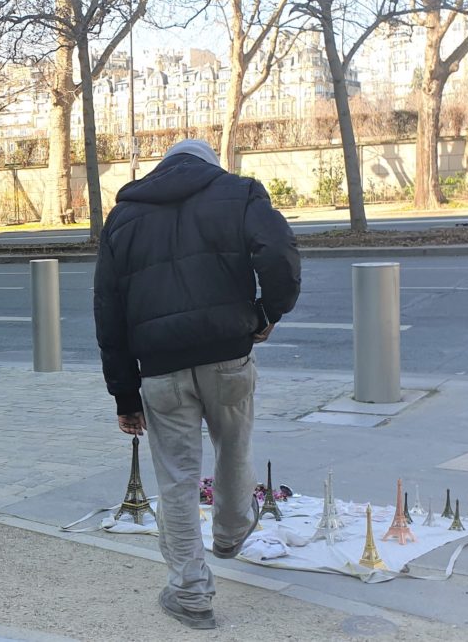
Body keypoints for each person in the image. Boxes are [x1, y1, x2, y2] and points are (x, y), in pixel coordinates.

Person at [93, 139, 300, 631]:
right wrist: (268, 312)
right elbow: (279, 253)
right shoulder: (241, 192)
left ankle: (191, 593)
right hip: (228, 353)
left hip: (161, 367)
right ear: (210, 165)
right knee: (234, 449)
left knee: (177, 479)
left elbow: (109, 312)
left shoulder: (123, 217)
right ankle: (230, 534)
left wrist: (125, 395)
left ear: (162, 168)